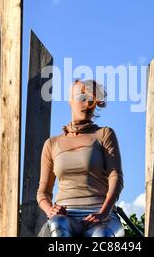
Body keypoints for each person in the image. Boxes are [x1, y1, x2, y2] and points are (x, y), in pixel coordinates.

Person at [36, 79, 125, 237]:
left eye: (92, 98)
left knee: (102, 235)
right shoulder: (52, 144)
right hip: (65, 216)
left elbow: (115, 176)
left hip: (102, 216)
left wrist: (104, 212)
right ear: (70, 100)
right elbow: (43, 193)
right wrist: (50, 209)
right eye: (81, 97)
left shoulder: (104, 134)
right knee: (57, 225)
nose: (87, 102)